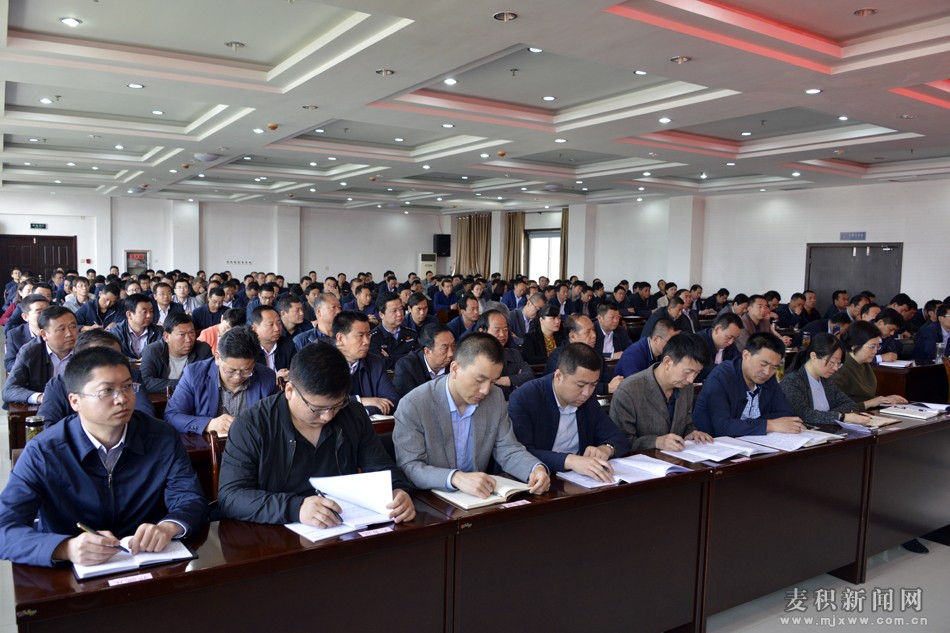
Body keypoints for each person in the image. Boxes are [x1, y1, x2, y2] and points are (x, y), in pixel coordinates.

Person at [0, 346, 208, 567]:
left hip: (148, 561)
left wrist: (169, 526)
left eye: (127, 386)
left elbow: (190, 498)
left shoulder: (161, 436)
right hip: (72, 573)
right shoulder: (44, 451)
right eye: (106, 391)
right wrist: (65, 548)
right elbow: (5, 529)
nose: (122, 399)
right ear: (75, 401)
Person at [217, 342, 414, 527]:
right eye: (317, 408)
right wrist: (295, 508)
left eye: (336, 406)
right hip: (275, 531)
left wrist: (397, 490)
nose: (327, 416)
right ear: (290, 390)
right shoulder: (252, 424)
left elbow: (381, 468)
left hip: (343, 525)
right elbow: (231, 497)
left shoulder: (352, 414)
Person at [393, 333, 550, 498]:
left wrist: (534, 469)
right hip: (430, 499)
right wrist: (455, 478)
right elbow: (409, 466)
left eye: (493, 381)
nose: (486, 390)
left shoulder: (495, 397)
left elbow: (507, 449)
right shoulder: (414, 404)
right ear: (455, 369)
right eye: (479, 380)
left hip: (479, 499)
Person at [510, 343, 630, 481]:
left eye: (593, 385)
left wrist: (606, 449)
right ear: (559, 376)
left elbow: (618, 437)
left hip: (579, 479)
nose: (587, 393)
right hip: (536, 479)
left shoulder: (587, 399)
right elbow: (520, 453)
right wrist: (570, 461)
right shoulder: (525, 397)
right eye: (580, 385)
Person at [165, 326, 278, 436]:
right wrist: (209, 424)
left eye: (246, 371)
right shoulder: (194, 374)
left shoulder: (266, 377)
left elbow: (275, 420)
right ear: (218, 358)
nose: (237, 377)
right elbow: (172, 416)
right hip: (207, 445)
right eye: (231, 370)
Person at [610, 332, 712, 451]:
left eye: (697, 373)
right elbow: (619, 442)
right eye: (688, 372)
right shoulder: (629, 391)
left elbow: (686, 425)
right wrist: (656, 442)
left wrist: (692, 433)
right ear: (668, 362)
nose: (691, 380)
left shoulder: (686, 387)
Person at [693, 332, 804, 437]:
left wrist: (747, 424)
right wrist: (769, 425)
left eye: (774, 367)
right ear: (746, 355)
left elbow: (785, 414)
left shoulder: (768, 377)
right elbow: (722, 426)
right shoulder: (721, 377)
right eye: (763, 364)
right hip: (713, 445)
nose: (767, 372)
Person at [38, 329, 156, 423]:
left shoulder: (131, 375)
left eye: (117, 357)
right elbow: (46, 425)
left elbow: (145, 414)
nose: (113, 364)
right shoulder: (58, 385)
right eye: (102, 359)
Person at [780, 333, 872, 427]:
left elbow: (850, 404)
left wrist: (827, 416)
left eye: (838, 364)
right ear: (814, 356)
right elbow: (803, 415)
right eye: (832, 362)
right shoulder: (792, 381)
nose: (835, 368)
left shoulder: (826, 381)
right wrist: (841, 417)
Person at [4, 305, 79, 406]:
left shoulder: (85, 348)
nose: (69, 334)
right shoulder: (30, 352)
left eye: (73, 327)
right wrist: (42, 398)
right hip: (45, 408)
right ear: (44, 334)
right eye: (61, 329)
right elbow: (9, 389)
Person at [334, 311, 399, 416]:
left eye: (368, 335)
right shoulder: (324, 363)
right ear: (340, 338)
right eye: (360, 335)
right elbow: (326, 402)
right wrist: (360, 400)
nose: (367, 341)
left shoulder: (375, 362)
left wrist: (364, 413)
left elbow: (392, 400)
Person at [832, 321, 908, 410]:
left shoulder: (864, 363)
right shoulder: (839, 368)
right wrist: (872, 402)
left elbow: (864, 398)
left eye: (877, 346)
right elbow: (837, 408)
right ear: (854, 346)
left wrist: (886, 399)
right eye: (872, 347)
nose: (875, 351)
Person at [139, 312, 212, 394]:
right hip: (161, 399)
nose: (188, 339)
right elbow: (146, 382)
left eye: (191, 333)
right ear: (167, 337)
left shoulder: (203, 349)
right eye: (182, 334)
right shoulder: (152, 351)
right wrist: (185, 384)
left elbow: (209, 379)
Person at [476, 309, 534, 399]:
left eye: (505, 330)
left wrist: (504, 380)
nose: (502, 334)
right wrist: (516, 380)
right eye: (497, 330)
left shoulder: (514, 354)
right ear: (482, 332)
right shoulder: (475, 357)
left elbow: (530, 376)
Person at [393, 323, 455, 398]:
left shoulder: (457, 362)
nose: (451, 353)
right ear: (427, 351)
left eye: (453, 346)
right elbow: (409, 401)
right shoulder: (406, 367)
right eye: (445, 348)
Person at [370, 293, 418, 371]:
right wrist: (406, 357)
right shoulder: (373, 338)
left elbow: (417, 361)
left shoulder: (412, 334)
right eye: (394, 311)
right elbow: (379, 364)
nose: (399, 314)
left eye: (401, 309)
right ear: (381, 314)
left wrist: (389, 358)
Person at [4, 293, 49, 372]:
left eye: (47, 311)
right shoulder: (15, 335)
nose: (45, 315)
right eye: (39, 312)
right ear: (25, 317)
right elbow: (9, 363)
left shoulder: (57, 331)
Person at [112, 293, 163, 360]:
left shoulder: (159, 332)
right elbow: (113, 356)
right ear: (129, 314)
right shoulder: (115, 333)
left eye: (151, 311)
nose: (149, 315)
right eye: (144, 312)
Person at [250, 305, 295, 380]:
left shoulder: (288, 344)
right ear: (254, 328)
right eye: (271, 324)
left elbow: (295, 371)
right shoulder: (249, 349)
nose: (277, 329)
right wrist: (274, 378)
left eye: (279, 323)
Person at [697, 313, 742, 382]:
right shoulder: (698, 341)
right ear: (717, 329)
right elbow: (712, 370)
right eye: (729, 337)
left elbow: (739, 361)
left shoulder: (729, 342)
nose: (731, 342)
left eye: (735, 338)